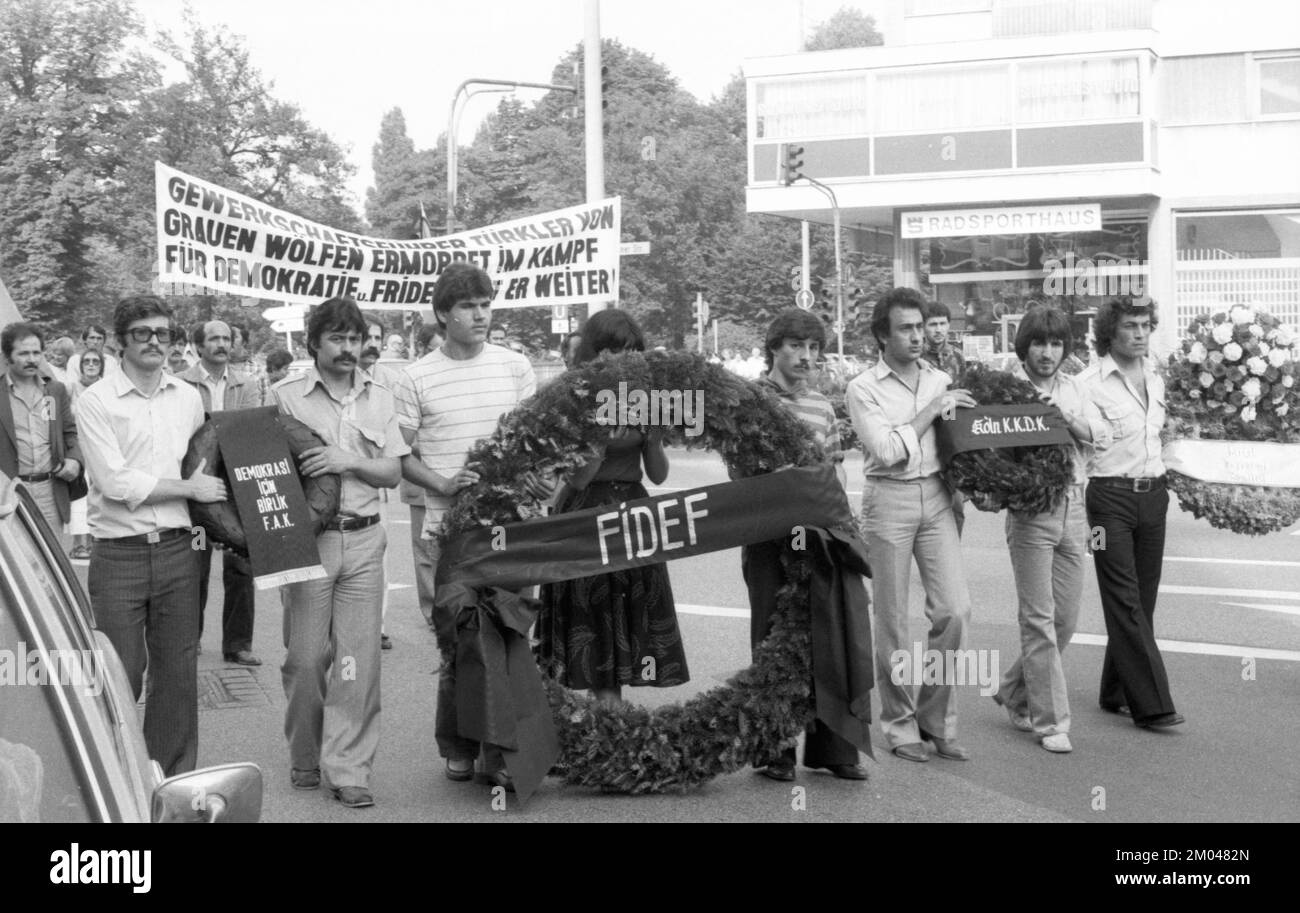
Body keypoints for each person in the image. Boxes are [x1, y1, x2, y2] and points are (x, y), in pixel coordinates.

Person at [393, 262, 547, 790]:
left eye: (486, 304)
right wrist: (444, 483)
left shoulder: (515, 366)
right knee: (459, 640)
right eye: (468, 306)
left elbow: (535, 442)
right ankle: (458, 745)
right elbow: (400, 454)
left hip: (514, 528)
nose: (481, 314)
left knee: (508, 633)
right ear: (442, 314)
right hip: (448, 530)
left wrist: (536, 484)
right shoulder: (415, 376)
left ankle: (501, 753)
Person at [76, 295, 226, 776]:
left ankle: (171, 779)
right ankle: (113, 778)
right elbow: (116, 484)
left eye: (164, 333)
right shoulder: (95, 400)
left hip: (181, 552)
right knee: (119, 675)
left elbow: (208, 463)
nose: (156, 342)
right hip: (119, 555)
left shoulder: (187, 398)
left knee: (178, 676)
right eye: (143, 333)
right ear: (120, 341)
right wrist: (189, 489)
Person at [271, 297, 409, 809]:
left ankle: (349, 768)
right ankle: (305, 753)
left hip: (367, 539)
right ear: (314, 344)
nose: (351, 348)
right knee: (306, 659)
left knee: (357, 661)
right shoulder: (285, 398)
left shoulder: (380, 397)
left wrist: (344, 459)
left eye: (356, 339)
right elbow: (262, 474)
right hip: (310, 543)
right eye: (339, 339)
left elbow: (393, 471)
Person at [847, 287, 977, 763]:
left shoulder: (942, 377)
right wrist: (930, 411)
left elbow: (959, 441)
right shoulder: (863, 388)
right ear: (882, 336)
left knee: (955, 611)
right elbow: (886, 450)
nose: (918, 336)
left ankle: (935, 719)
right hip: (889, 500)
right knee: (893, 622)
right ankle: (900, 724)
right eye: (906, 328)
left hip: (939, 498)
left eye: (921, 327)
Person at [537, 309, 688, 705]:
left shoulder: (647, 398)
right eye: (615, 350)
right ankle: (599, 709)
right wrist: (600, 438)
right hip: (587, 511)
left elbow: (657, 475)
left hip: (634, 511)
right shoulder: (574, 397)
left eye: (632, 351)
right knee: (591, 615)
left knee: (628, 614)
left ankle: (610, 706)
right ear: (594, 352)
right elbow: (578, 478)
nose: (625, 359)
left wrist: (653, 439)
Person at [744, 309, 865, 782]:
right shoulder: (750, 400)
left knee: (826, 634)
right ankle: (774, 746)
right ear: (774, 348)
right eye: (795, 346)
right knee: (772, 636)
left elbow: (835, 473)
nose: (806, 357)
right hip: (766, 534)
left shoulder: (822, 405)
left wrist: (843, 529)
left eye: (813, 348)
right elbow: (740, 470)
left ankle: (834, 746)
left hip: (818, 535)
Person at [993, 306, 1107, 754]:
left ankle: (1012, 688)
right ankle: (1051, 721)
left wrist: (1062, 417)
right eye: (1039, 343)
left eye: (1056, 343)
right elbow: (990, 447)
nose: (1047, 352)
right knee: (1038, 618)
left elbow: (1101, 434)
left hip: (1074, 506)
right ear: (1025, 345)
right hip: (1030, 511)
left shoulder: (1074, 388)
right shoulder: (1008, 390)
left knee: (1065, 619)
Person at [1078, 297, 1184, 731]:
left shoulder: (1156, 381)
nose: (1140, 333)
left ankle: (1115, 691)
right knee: (1122, 598)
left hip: (1153, 498)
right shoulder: (1087, 385)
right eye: (1129, 326)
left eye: (1145, 325)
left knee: (1142, 601)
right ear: (1110, 333)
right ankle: (1153, 704)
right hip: (1107, 504)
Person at [180, 320, 262, 666]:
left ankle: (238, 644)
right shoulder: (181, 384)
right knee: (195, 565)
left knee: (241, 568)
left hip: (236, 494)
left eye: (227, 338)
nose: (221, 343)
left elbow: (249, 431)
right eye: (214, 338)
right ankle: (189, 638)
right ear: (198, 346)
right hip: (196, 493)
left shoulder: (248, 384)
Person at [1, 323, 82, 541]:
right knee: (17, 565)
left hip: (50, 491)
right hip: (9, 492)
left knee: (51, 562)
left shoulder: (53, 391)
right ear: (7, 356)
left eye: (36, 352)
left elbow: (69, 432)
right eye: (24, 353)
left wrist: (74, 459)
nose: (32, 359)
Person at [67, 349, 105, 560]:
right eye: (87, 362)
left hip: (100, 448)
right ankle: (79, 544)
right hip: (77, 449)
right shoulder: (69, 388)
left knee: (99, 495)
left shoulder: (107, 389)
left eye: (95, 362)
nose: (91, 365)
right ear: (81, 365)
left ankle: (96, 542)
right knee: (79, 498)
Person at [921, 301, 965, 383]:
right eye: (933, 324)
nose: (938, 330)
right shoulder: (916, 356)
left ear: (948, 325)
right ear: (923, 326)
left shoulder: (958, 356)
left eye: (942, 324)